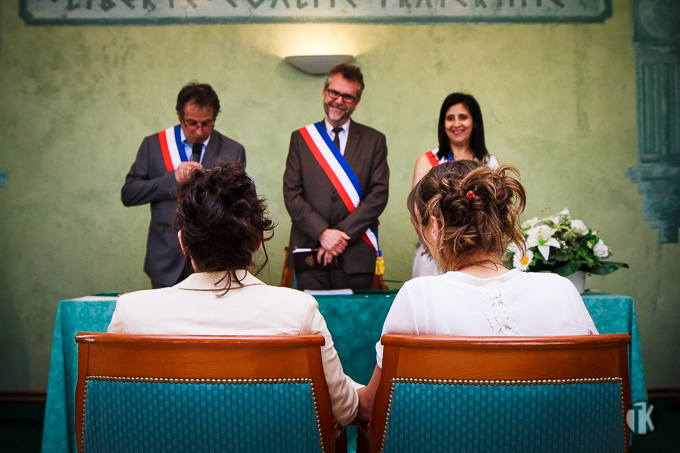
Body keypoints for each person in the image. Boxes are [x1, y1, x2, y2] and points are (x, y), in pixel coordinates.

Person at [109, 162, 359, 427]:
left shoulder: (130, 311)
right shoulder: (300, 310)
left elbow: (106, 416)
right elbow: (346, 411)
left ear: (183, 242)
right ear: (258, 240)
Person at [358, 160, 597, 420]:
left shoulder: (418, 297)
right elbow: (599, 396)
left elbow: (375, 408)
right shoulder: (561, 289)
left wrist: (344, 389)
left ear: (435, 227)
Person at [121, 82, 246, 289]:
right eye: (191, 123)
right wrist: (173, 179)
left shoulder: (233, 150)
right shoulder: (153, 145)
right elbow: (129, 194)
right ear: (179, 116)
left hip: (215, 260)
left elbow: (237, 202)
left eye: (206, 123)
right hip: (165, 260)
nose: (199, 131)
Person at [283, 64, 389, 291]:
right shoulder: (301, 139)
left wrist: (340, 236)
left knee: (354, 322)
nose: (339, 101)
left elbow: (378, 195)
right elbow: (292, 193)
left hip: (356, 253)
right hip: (310, 250)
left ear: (357, 102)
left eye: (347, 96)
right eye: (334, 93)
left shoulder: (374, 140)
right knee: (312, 323)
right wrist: (322, 233)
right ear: (324, 92)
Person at [411, 93, 500, 278]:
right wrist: (439, 251)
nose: (456, 123)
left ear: (475, 122)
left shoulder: (489, 163)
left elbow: (497, 212)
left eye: (463, 117)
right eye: (450, 118)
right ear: (443, 124)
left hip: (479, 257)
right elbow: (417, 212)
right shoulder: (427, 160)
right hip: (434, 256)